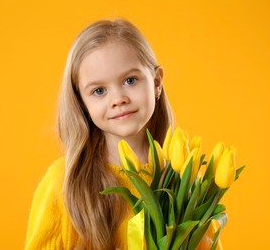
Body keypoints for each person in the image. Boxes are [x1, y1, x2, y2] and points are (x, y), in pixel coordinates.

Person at [25, 19, 221, 250]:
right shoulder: (64, 184)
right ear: (81, 102)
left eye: (130, 80)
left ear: (157, 82)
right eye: (99, 91)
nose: (118, 99)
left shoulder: (186, 184)